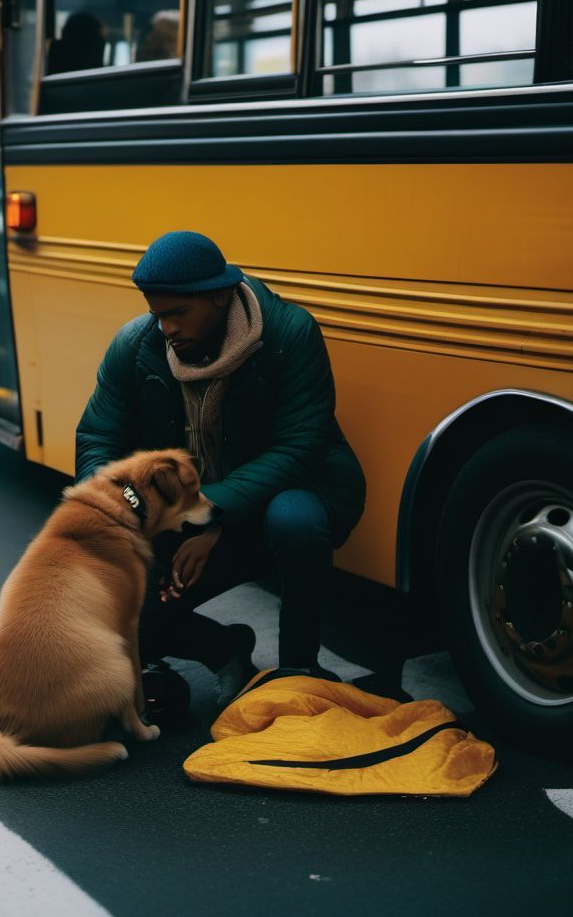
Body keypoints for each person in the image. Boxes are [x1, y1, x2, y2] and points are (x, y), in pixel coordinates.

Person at [75, 230, 366, 705]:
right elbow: (98, 441)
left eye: (177, 314)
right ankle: (226, 649)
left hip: (281, 494)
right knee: (114, 613)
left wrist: (212, 519)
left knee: (296, 518)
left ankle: (298, 671)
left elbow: (300, 445)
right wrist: (131, 515)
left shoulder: (288, 333)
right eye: (157, 314)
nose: (166, 328)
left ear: (218, 296)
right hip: (186, 511)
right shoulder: (136, 345)